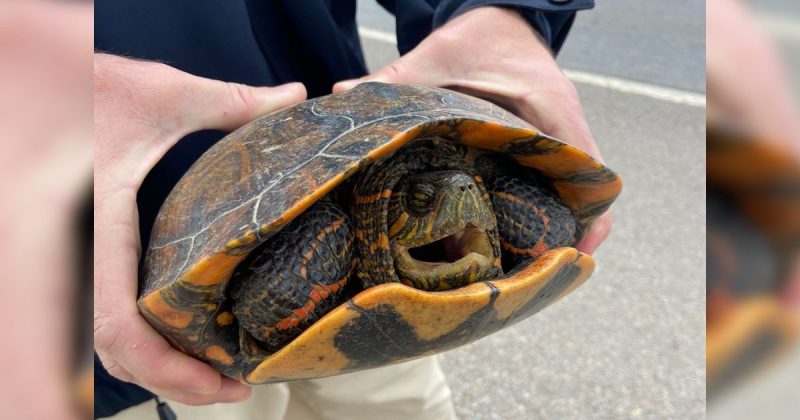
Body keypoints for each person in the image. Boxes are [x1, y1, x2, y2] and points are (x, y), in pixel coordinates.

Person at [95, 1, 609, 418]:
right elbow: (261, 305)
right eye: (424, 203)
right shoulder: (338, 233)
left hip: (391, 329)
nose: (465, 203)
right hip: (116, 275)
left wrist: (504, 8)